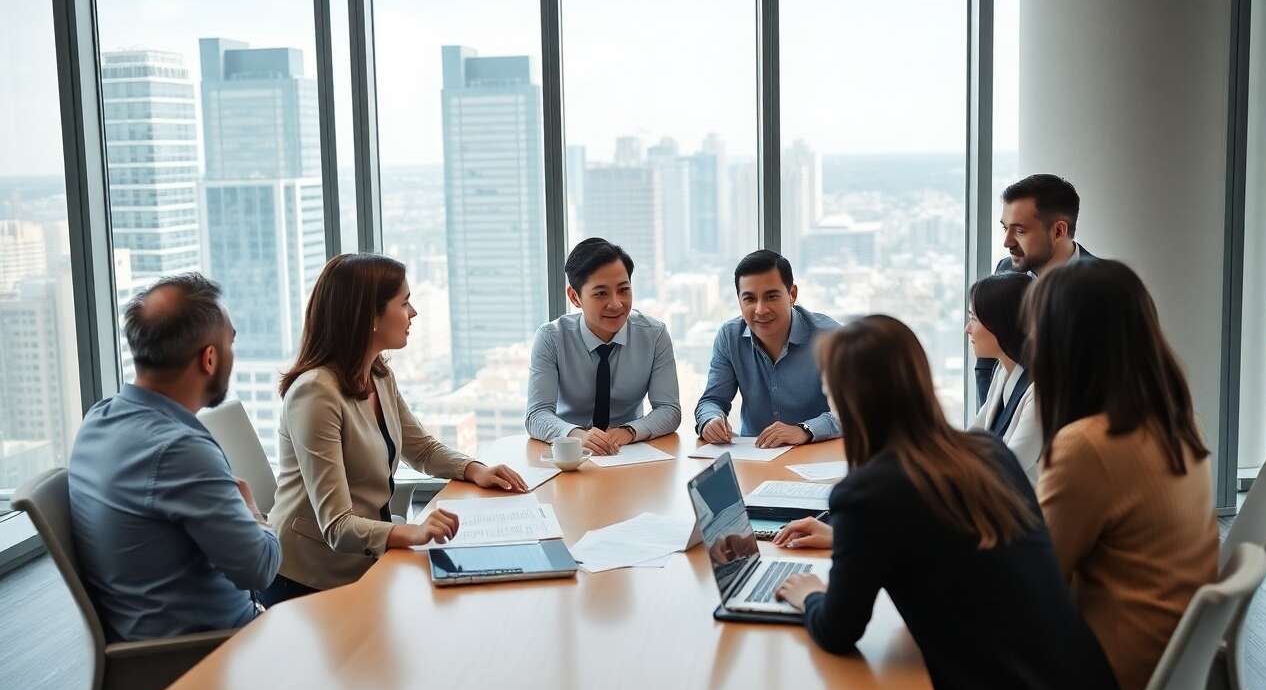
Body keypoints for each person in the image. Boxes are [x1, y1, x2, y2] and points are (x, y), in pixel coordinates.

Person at [772, 316, 1122, 690]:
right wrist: (846, 538)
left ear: (846, 399)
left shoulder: (865, 494)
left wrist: (810, 594)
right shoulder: (985, 449)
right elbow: (949, 542)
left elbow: (838, 631)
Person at [263, 254, 526, 606]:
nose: (413, 312)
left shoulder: (377, 374)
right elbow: (337, 526)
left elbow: (423, 450)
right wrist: (412, 531)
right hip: (310, 580)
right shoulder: (314, 394)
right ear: (369, 316)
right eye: (404, 303)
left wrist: (474, 469)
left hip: (364, 561)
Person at [1028, 258, 1218, 690]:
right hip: (1163, 665)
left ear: (1065, 343)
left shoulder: (1090, 446)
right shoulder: (1174, 420)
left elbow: (1033, 582)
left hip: (1106, 681)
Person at [68, 273, 280, 641]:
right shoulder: (180, 450)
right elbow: (259, 569)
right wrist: (255, 516)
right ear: (210, 358)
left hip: (151, 640)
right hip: (207, 655)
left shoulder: (98, 419)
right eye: (231, 343)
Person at [525, 237, 681, 454]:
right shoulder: (551, 338)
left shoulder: (654, 335)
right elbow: (537, 414)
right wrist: (577, 436)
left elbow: (669, 410)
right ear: (575, 297)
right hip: (570, 454)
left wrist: (628, 432)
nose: (616, 304)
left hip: (627, 451)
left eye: (624, 290)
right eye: (600, 293)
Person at [694, 250, 839, 448]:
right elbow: (711, 401)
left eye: (771, 297)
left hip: (815, 455)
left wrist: (803, 430)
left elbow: (855, 412)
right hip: (755, 457)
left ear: (792, 294)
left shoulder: (829, 337)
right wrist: (710, 421)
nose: (761, 310)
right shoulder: (729, 337)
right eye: (750, 299)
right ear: (739, 301)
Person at [977, 173, 1097, 406]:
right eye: (1005, 229)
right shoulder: (1005, 271)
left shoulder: (1104, 287)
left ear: (1058, 231)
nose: (1007, 242)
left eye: (1020, 231)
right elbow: (990, 357)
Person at [966, 272, 1042, 482]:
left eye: (973, 318)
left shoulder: (1040, 392)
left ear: (1000, 323)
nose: (968, 329)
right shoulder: (1003, 371)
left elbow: (1010, 465)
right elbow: (975, 436)